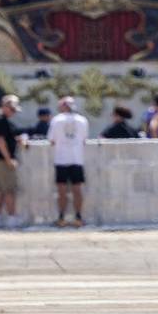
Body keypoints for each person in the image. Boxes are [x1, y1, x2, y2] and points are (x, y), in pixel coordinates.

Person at [48, 96, 89, 227]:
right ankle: (78, 217)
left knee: (62, 190)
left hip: (61, 158)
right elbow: (84, 140)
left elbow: (52, 140)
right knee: (77, 189)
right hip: (77, 158)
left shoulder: (56, 120)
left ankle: (61, 218)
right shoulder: (82, 120)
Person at [0, 94, 27, 229]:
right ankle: (12, 218)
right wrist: (9, 159)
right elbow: (0, 141)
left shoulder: (3, 122)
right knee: (10, 190)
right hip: (2, 160)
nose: (13, 111)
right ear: (4, 107)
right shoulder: (1, 121)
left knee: (0, 190)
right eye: (12, 108)